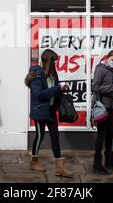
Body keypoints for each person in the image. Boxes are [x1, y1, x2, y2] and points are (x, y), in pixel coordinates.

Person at [25, 49, 74, 177]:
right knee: (40, 136)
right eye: (54, 61)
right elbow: (39, 94)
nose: (55, 64)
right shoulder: (37, 74)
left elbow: (54, 90)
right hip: (40, 110)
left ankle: (59, 167)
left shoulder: (53, 73)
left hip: (51, 110)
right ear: (48, 61)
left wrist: (62, 89)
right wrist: (57, 88)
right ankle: (34, 161)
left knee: (55, 137)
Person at [91, 50, 113, 174]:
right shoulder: (100, 69)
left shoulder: (112, 71)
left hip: (110, 107)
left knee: (110, 134)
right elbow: (95, 87)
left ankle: (109, 160)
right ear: (107, 58)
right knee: (101, 135)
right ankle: (97, 163)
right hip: (101, 107)